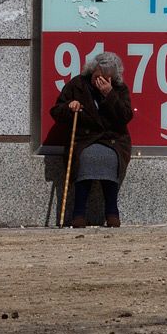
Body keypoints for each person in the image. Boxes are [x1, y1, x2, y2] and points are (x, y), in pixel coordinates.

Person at [50, 52, 133, 228]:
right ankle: (78, 213)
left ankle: (112, 211)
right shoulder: (78, 84)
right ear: (91, 71)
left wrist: (109, 94)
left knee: (110, 158)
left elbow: (125, 116)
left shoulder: (119, 89)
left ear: (113, 78)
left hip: (112, 139)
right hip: (84, 139)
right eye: (97, 76)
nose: (99, 81)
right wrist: (69, 107)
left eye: (105, 78)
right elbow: (56, 111)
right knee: (85, 158)